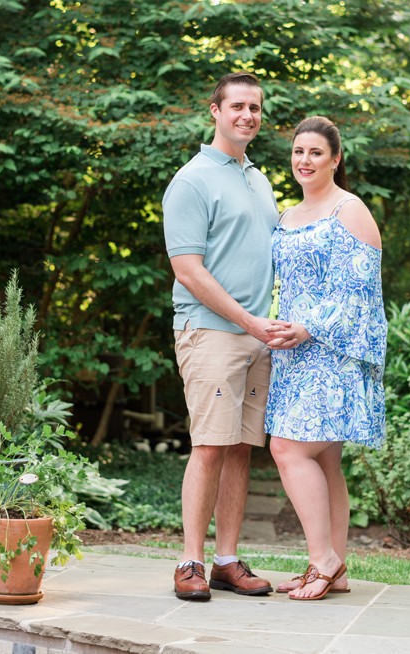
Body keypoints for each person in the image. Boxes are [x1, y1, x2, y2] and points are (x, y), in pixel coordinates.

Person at [162, 72, 285, 601]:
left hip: (258, 336)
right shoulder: (191, 180)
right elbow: (188, 269)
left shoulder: (257, 178)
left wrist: (267, 324)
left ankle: (226, 561)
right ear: (214, 111)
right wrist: (248, 321)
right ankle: (188, 562)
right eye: (237, 106)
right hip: (210, 332)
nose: (247, 116)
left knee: (240, 450)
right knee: (210, 447)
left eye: (255, 108)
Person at [264, 116, 387, 600]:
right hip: (292, 352)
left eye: (316, 152)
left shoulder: (349, 209)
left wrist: (309, 327)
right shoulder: (287, 216)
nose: (304, 160)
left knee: (287, 448)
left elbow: (360, 289)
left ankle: (323, 561)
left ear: (335, 159)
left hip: (333, 348)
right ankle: (335, 570)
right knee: (325, 457)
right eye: (298, 151)